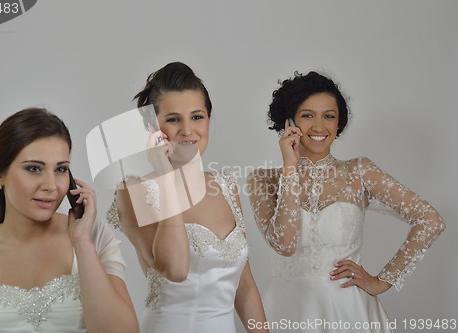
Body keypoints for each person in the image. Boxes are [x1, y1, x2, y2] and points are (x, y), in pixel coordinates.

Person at [246, 71, 445, 332]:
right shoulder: (263, 180)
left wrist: (381, 281)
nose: (319, 127)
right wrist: (290, 169)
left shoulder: (359, 171)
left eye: (329, 116)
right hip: (286, 311)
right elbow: (285, 244)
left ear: (338, 123)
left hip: (348, 312)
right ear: (288, 122)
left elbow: (430, 220)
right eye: (307, 115)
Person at [107, 62, 268, 333]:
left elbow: (246, 287)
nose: (187, 130)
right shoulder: (133, 192)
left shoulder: (225, 186)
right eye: (173, 119)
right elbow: (174, 269)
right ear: (152, 127)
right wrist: (165, 175)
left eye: (197, 117)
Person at [0, 108, 139, 333]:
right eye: (34, 168)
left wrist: (82, 243)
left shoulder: (93, 236)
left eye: (61, 169)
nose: (51, 185)